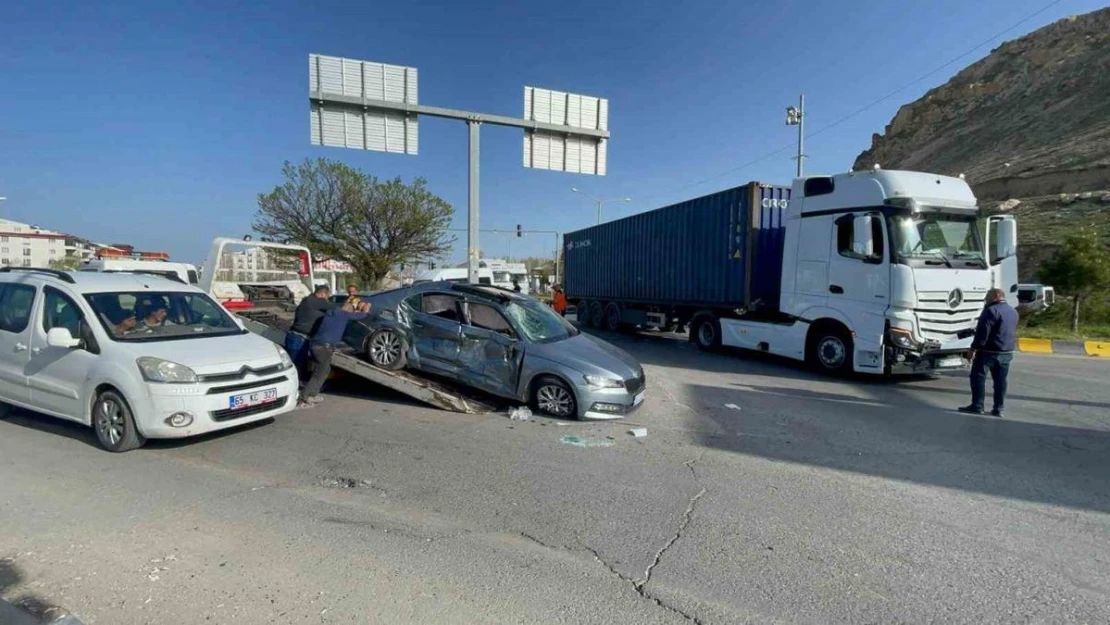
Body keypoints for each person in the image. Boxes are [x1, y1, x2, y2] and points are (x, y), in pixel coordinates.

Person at [959, 288, 1018, 418]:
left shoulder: (991, 311)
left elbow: (983, 333)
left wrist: (973, 349)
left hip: (988, 352)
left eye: (987, 296)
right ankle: (999, 408)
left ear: (995, 297)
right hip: (1007, 351)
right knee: (1000, 381)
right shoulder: (1013, 311)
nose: (986, 299)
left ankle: (977, 405)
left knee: (978, 377)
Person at [300, 301, 372, 406]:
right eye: (351, 310)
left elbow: (351, 313)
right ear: (347, 309)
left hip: (318, 346)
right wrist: (366, 309)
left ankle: (312, 394)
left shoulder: (333, 313)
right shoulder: (343, 314)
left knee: (323, 370)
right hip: (323, 347)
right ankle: (305, 395)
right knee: (321, 371)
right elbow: (360, 315)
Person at [286, 285, 335, 376]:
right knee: (296, 366)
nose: (327, 299)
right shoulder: (316, 301)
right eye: (327, 296)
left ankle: (299, 383)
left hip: (297, 337)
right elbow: (335, 308)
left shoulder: (308, 299)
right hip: (298, 338)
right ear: (323, 294)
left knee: (299, 365)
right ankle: (295, 387)